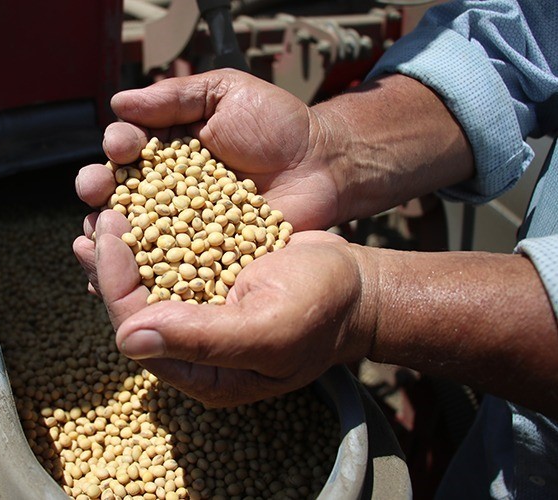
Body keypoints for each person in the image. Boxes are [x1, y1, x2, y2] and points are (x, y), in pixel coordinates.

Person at [73, 0, 557, 496]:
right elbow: (520, 40)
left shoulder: (223, 223)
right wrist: (331, 146)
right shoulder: (196, 199)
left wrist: (367, 304)